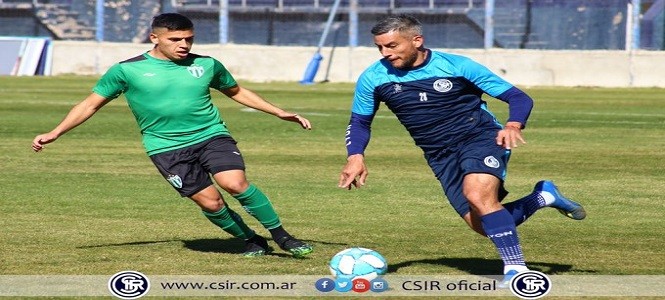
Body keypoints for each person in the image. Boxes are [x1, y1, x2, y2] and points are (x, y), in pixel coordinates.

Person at [32, 13, 313, 258]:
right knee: (210, 202)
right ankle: (253, 241)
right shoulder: (126, 70)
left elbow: (236, 91)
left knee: (235, 183)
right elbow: (90, 104)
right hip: (166, 147)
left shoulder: (207, 65)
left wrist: (278, 112)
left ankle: (283, 237)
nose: (184, 45)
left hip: (211, 135)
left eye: (189, 39)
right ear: (154, 37)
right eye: (175, 39)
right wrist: (56, 132)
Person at [337, 14, 586, 284]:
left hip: (480, 137)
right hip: (439, 154)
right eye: (380, 47)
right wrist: (355, 156)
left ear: (417, 40)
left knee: (477, 194)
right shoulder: (373, 77)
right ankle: (543, 197)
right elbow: (360, 122)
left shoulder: (456, 66)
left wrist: (514, 125)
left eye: (392, 46)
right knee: (483, 225)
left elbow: (517, 97)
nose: (385, 53)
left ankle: (516, 271)